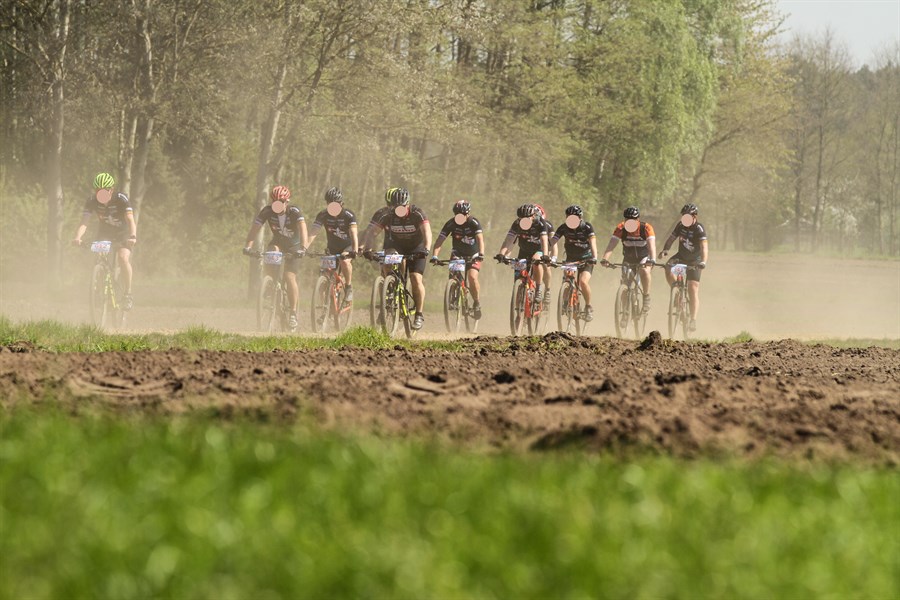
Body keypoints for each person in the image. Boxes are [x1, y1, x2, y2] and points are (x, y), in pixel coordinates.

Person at [242, 185, 308, 331]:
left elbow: (303, 229)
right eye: (274, 202)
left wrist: (303, 248)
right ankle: (270, 282)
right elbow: (255, 228)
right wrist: (248, 246)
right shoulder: (267, 211)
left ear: (287, 201)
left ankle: (293, 313)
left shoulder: (294, 212)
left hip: (294, 247)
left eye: (281, 202)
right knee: (271, 251)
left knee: (290, 276)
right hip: (278, 243)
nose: (277, 205)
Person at [71, 172, 137, 310]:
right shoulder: (91, 201)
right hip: (104, 234)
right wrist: (78, 237)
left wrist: (133, 236)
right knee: (98, 258)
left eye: (103, 191)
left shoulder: (121, 199)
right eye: (97, 191)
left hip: (123, 234)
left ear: (111, 190)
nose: (99, 194)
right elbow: (84, 222)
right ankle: (99, 285)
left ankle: (128, 294)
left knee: (123, 258)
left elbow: (130, 220)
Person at [367, 188, 432, 330]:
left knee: (415, 278)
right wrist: (368, 249)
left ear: (407, 204)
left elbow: (427, 231)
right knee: (386, 267)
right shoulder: (388, 215)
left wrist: (426, 249)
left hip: (416, 247)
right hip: (396, 246)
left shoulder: (417, 213)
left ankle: (419, 314)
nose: (398, 210)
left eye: (402, 207)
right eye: (395, 207)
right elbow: (373, 232)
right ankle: (387, 300)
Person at [430, 200, 485, 319]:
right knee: (453, 275)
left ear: (467, 214)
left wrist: (481, 253)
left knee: (472, 277)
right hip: (457, 253)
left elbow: (480, 239)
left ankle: (476, 302)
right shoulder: (451, 223)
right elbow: (440, 240)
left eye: (462, 215)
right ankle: (454, 293)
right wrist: (435, 256)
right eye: (457, 215)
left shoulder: (473, 222)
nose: (459, 218)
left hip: (474, 254)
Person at [658, 203, 708, 332]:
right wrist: (665, 250)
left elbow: (704, 247)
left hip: (695, 260)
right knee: (668, 267)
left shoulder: (699, 228)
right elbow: (671, 238)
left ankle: (693, 320)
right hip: (681, 256)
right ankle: (676, 288)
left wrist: (703, 261)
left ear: (694, 216)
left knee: (692, 289)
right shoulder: (681, 225)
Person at [304, 187, 358, 302]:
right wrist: (304, 248)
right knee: (324, 275)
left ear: (341, 204)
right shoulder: (323, 215)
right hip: (332, 248)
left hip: (347, 247)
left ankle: (348, 287)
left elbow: (353, 233)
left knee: (344, 261)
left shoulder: (349, 215)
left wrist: (355, 250)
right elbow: (313, 232)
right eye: (330, 204)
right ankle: (326, 307)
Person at [599, 206, 656, 314]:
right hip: (629, 258)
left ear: (638, 219)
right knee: (625, 283)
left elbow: (652, 246)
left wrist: (652, 259)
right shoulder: (621, 228)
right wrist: (605, 259)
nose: (629, 222)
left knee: (644, 271)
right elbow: (611, 245)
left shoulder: (646, 228)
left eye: (633, 219)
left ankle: (646, 296)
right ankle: (625, 310)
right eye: (627, 219)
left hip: (644, 257)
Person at [550, 205, 598, 321]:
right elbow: (553, 241)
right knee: (568, 278)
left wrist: (595, 257)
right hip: (571, 258)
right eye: (569, 217)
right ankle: (566, 302)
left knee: (582, 282)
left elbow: (593, 243)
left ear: (580, 217)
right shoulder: (563, 227)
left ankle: (588, 306)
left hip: (586, 259)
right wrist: (547, 254)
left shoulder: (587, 227)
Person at [495, 203, 550, 303]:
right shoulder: (516, 223)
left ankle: (538, 289)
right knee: (518, 273)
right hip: (524, 250)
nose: (523, 221)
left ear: (533, 216)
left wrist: (545, 255)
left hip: (538, 249)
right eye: (521, 218)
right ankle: (519, 302)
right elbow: (509, 240)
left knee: (536, 261)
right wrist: (501, 254)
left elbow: (544, 240)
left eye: (526, 218)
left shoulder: (540, 223)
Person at [534, 203, 554, 308]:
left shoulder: (548, 225)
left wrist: (553, 257)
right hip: (531, 249)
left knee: (546, 266)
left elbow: (553, 243)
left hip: (544, 249)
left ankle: (547, 290)